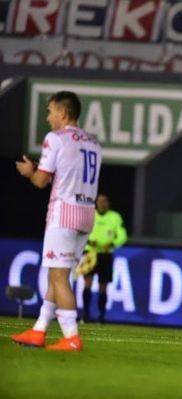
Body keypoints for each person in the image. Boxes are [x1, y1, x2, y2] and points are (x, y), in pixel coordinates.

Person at [12, 91, 102, 351]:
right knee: (58, 274)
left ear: (63, 113)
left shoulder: (55, 138)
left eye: (50, 111)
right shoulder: (93, 142)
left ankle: (72, 337)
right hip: (86, 212)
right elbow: (71, 174)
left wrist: (31, 171)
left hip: (63, 213)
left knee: (59, 276)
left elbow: (41, 181)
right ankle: (39, 330)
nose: (48, 117)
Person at [81, 194, 127, 323]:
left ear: (108, 203)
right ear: (96, 203)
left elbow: (122, 235)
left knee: (103, 287)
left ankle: (101, 316)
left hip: (106, 255)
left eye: (104, 201)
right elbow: (81, 231)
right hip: (90, 253)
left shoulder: (115, 217)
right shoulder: (90, 215)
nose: (101, 204)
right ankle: (85, 315)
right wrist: (90, 242)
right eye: (99, 201)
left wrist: (112, 244)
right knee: (87, 283)